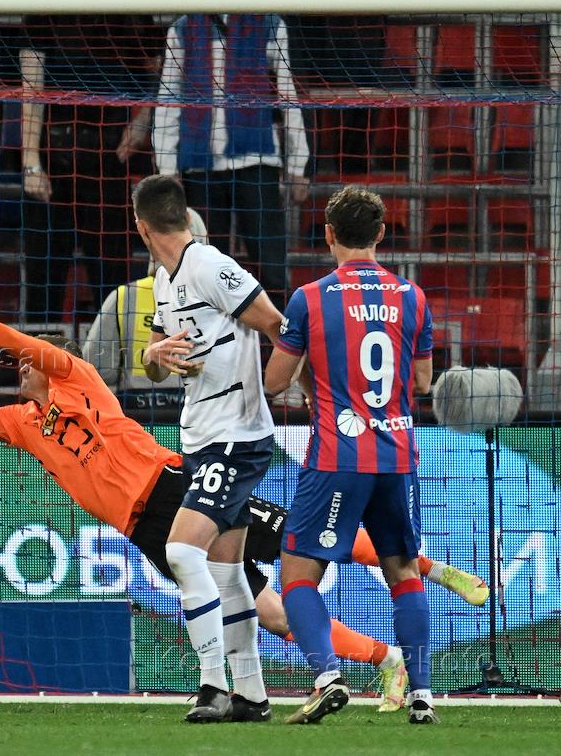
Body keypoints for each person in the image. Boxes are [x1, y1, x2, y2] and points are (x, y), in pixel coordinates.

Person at [0, 280, 475, 714]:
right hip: (143, 528)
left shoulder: (76, 376)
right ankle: (386, 659)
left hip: (180, 487)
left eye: (29, 362)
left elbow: (10, 339)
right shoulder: (21, 425)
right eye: (22, 367)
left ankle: (425, 566)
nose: (21, 368)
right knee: (274, 615)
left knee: (298, 539)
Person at [264, 186, 437, 724]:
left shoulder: (309, 298)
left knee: (297, 572)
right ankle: (422, 696)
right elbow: (423, 381)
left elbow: (274, 382)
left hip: (337, 455)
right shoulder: (413, 297)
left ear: (329, 234)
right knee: (403, 572)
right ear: (381, 234)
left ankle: (327, 677)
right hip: (397, 456)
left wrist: (314, 373)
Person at [134, 173, 281, 722]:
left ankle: (212, 684)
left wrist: (279, 391)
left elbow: (278, 325)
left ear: (141, 226)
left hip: (235, 439)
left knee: (180, 551)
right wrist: (156, 355)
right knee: (226, 570)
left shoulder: (210, 266)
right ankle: (252, 696)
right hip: (199, 437)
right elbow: (151, 362)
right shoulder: (163, 278)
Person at [152, 0, 309, 310]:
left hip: (257, 162)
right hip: (200, 167)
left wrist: (299, 164)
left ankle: (281, 339)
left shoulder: (269, 22)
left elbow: (288, 95)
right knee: (204, 273)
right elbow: (168, 99)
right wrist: (167, 167)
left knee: (272, 269)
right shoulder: (182, 27)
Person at [16, 0, 165, 319]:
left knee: (111, 277)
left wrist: (143, 122)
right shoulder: (43, 7)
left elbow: (160, 74)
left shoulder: (131, 8)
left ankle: (112, 353)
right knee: (43, 279)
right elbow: (31, 89)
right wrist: (31, 162)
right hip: (54, 160)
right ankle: (41, 353)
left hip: (110, 160)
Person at [242, 494, 487, 712]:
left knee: (315, 537)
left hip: (222, 505)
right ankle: (389, 659)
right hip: (216, 554)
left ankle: (435, 570)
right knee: (280, 620)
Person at [82, 208, 207, 409]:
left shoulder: (124, 297)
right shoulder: (222, 298)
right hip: (203, 415)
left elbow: (97, 371)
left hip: (138, 417)